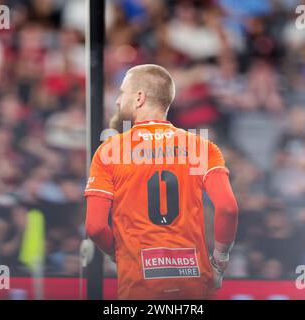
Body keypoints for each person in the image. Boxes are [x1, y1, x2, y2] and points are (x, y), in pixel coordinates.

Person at [84, 64, 238, 299]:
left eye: (122, 92)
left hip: (139, 283)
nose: (117, 101)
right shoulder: (201, 147)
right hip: (193, 283)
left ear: (139, 98)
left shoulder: (110, 151)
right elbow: (228, 208)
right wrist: (219, 261)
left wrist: (117, 253)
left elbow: (94, 227)